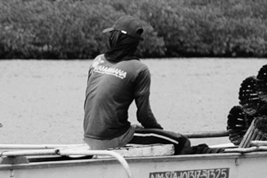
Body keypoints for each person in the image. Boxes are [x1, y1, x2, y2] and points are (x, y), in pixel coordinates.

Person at [83, 15, 207, 154]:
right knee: (182, 142)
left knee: (140, 131)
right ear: (135, 44)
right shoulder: (139, 69)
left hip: (89, 137)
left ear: (115, 38)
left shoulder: (97, 61)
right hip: (112, 138)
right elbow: (144, 117)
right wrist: (161, 133)